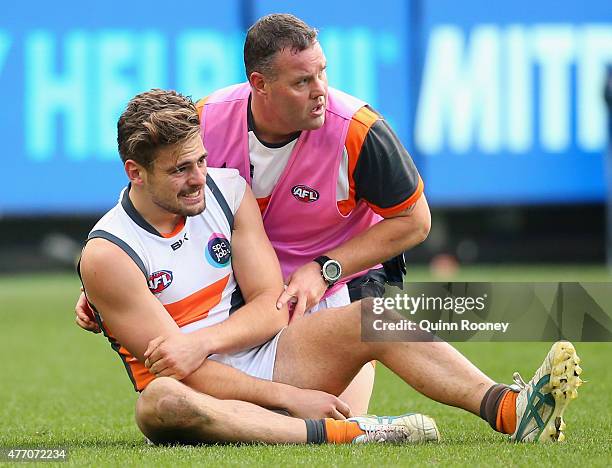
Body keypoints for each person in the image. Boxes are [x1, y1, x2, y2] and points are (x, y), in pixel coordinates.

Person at [79, 89, 582, 445]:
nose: (198, 179)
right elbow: (185, 372)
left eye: (201, 160)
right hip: (202, 393)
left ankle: (508, 409)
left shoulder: (228, 189)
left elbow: (271, 309)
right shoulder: (107, 255)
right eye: (180, 169)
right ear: (135, 173)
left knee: (375, 315)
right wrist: (287, 398)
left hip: (263, 353)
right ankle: (344, 432)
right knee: (161, 403)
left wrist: (205, 340)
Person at [77, 13, 430, 414]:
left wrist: (325, 268)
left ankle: (502, 404)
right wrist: (105, 282)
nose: (322, 91)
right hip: (257, 290)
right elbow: (153, 191)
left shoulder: (358, 129)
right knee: (267, 415)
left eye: (322, 73)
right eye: (302, 81)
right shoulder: (206, 120)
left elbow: (416, 222)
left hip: (339, 282)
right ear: (260, 84)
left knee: (351, 397)